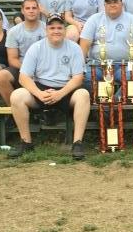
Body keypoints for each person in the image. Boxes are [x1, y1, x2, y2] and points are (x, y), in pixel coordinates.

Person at [8, 14, 90, 160]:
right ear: (46, 30)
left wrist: (60, 93)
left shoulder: (74, 48)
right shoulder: (36, 48)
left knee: (83, 94)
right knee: (17, 95)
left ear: (65, 30)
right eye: (52, 28)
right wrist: (39, 94)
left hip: (66, 89)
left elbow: (78, 78)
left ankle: (78, 143)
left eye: (59, 27)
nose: (56, 31)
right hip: (41, 89)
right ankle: (26, 142)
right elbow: (23, 77)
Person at [79, 0, 133, 84]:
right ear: (104, 5)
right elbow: (84, 46)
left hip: (125, 64)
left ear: (122, 4)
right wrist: (79, 68)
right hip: (97, 65)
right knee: (85, 78)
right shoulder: (94, 19)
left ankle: (116, 99)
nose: (112, 5)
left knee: (132, 78)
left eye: (115, 2)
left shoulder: (132, 20)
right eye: (109, 2)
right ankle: (98, 98)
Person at [0, 0, 46, 105]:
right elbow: (12, 59)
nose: (31, 10)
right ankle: (14, 110)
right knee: (2, 76)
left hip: (44, 68)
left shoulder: (47, 29)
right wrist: (28, 70)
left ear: (38, 10)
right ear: (22, 11)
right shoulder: (14, 31)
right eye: (28, 8)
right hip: (22, 67)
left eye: (34, 8)